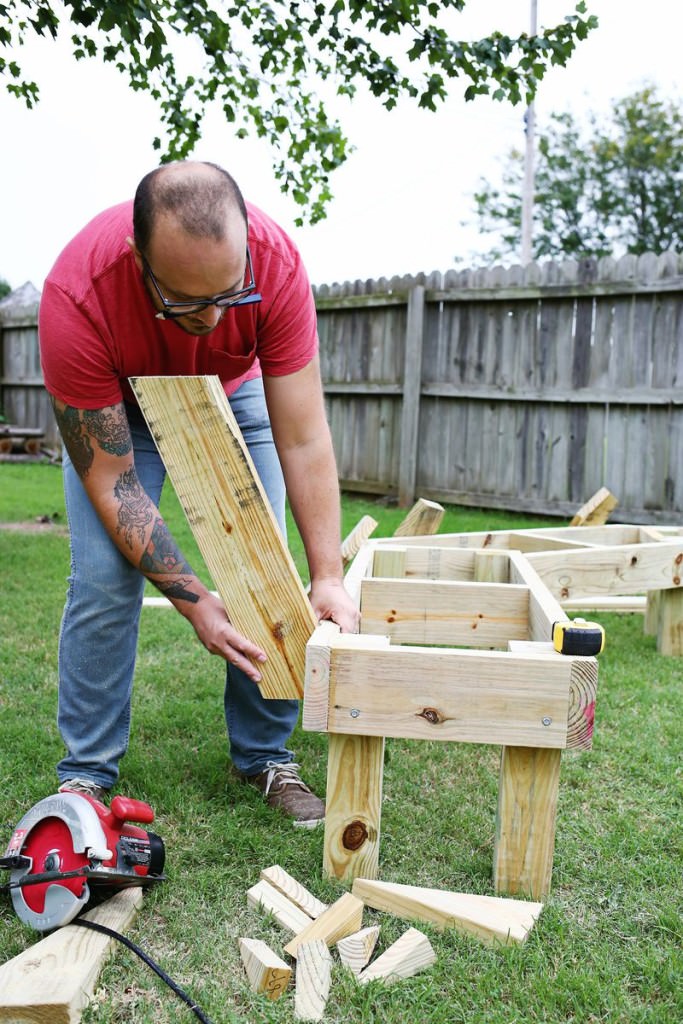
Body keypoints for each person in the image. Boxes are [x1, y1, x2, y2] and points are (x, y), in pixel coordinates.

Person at [38, 159, 359, 828]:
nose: (213, 319)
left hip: (236, 399)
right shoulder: (78, 296)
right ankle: (86, 777)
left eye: (228, 295)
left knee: (265, 568)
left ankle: (266, 756)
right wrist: (194, 604)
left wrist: (327, 575)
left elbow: (302, 439)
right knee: (102, 579)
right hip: (119, 413)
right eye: (187, 301)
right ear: (138, 259)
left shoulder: (276, 265)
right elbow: (111, 481)